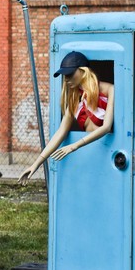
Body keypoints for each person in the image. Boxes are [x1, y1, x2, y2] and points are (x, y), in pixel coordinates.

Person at [19, 51, 115, 184]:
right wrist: (36, 164)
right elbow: (60, 132)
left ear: (83, 71)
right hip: (88, 156)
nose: (66, 79)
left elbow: (106, 127)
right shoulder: (74, 100)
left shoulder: (109, 89)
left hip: (108, 153)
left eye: (70, 74)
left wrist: (73, 146)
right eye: (65, 76)